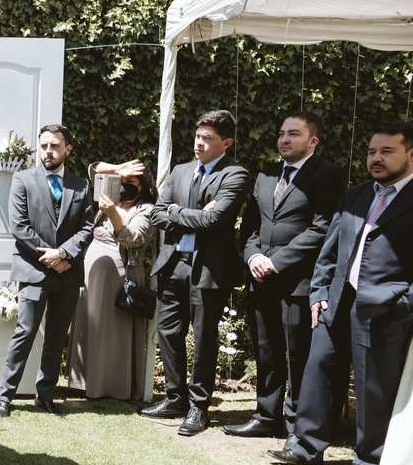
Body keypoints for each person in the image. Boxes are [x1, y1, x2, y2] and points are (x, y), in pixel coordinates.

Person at [268, 120, 413, 465]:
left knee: (373, 383)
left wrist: (404, 305)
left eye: (386, 151)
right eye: (371, 152)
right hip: (337, 301)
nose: (375, 158)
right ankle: (306, 445)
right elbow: (329, 250)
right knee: (318, 370)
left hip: (386, 306)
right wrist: (318, 292)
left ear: (411, 154)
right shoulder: (356, 195)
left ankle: (371, 456)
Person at [231, 112, 345, 440]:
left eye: (293, 134)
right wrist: (253, 256)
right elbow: (251, 223)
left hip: (299, 282)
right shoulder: (266, 175)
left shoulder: (329, 175)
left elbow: (322, 228)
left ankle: (298, 426)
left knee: (300, 357)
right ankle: (266, 417)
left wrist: (276, 261)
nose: (284, 139)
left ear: (313, 141)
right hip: (261, 279)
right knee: (267, 353)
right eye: (282, 133)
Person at [141, 110, 249, 436]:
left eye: (208, 139)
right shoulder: (181, 170)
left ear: (226, 143)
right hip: (173, 263)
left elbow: (214, 222)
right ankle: (174, 398)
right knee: (168, 332)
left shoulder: (236, 175)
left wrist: (177, 212)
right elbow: (158, 214)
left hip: (210, 268)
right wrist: (183, 212)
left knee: (204, 339)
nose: (199, 143)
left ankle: (198, 408)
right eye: (198, 136)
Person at [0, 123, 94, 419]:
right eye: (44, 145)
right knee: (24, 332)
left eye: (55, 146)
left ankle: (45, 395)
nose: (48, 151)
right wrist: (50, 256)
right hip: (34, 270)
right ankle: (4, 396)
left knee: (56, 337)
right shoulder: (23, 179)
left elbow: (87, 228)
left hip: (68, 273)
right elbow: (19, 226)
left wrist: (64, 254)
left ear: (67, 149)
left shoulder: (80, 185)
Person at [67, 159, 157, 400]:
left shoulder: (147, 210)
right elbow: (92, 168)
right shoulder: (110, 196)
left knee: (116, 330)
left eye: (131, 182)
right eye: (122, 181)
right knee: (91, 323)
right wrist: (118, 169)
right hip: (92, 272)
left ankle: (115, 386)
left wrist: (113, 214)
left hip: (122, 275)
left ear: (143, 187)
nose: (125, 185)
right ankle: (86, 382)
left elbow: (132, 237)